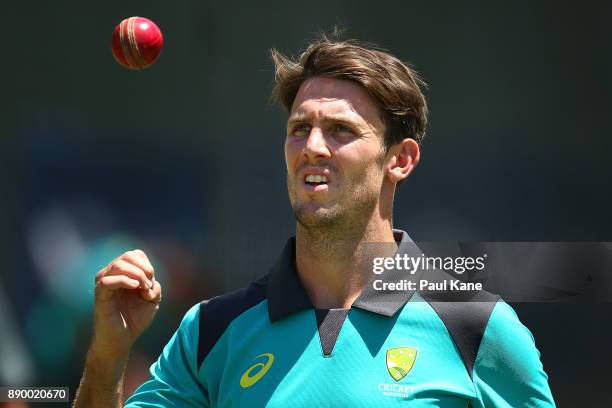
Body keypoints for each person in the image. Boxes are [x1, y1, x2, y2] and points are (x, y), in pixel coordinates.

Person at [74, 36, 556, 407]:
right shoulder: (211, 331)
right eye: (300, 128)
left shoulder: (476, 327)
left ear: (400, 160)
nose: (313, 146)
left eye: (342, 130)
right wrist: (107, 358)